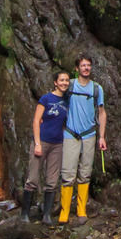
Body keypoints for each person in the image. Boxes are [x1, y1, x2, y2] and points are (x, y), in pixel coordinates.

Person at [59, 54, 108, 224]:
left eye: (88, 65)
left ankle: (81, 210)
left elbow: (102, 113)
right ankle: (64, 212)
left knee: (85, 173)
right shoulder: (69, 85)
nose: (86, 68)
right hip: (70, 134)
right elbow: (56, 101)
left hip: (89, 134)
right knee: (68, 173)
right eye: (83, 65)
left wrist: (102, 137)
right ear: (77, 68)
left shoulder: (97, 89)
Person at [23, 72, 72, 222]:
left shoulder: (67, 101)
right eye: (61, 80)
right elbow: (36, 120)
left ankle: (46, 215)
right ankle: (24, 214)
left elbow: (64, 123)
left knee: (52, 180)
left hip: (57, 144)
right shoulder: (46, 99)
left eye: (67, 80)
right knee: (33, 178)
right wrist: (37, 143)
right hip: (42, 141)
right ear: (55, 82)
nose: (64, 83)